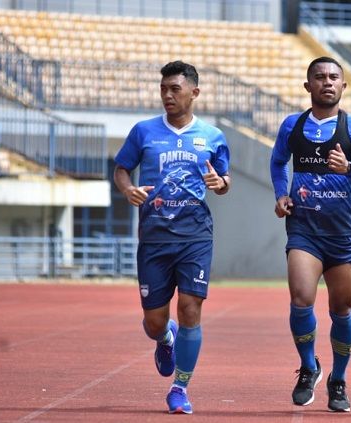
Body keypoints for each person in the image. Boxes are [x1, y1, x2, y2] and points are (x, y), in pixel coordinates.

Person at [113, 60, 230, 415]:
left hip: (196, 236)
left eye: (174, 89)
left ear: (193, 93)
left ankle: (180, 388)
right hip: (154, 237)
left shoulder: (212, 136)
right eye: (163, 89)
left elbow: (224, 181)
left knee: (191, 309)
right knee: (154, 322)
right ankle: (165, 337)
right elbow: (121, 169)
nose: (167, 95)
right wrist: (128, 189)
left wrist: (220, 184)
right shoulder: (143, 132)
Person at [270, 56, 351, 412]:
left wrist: (349, 168)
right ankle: (308, 367)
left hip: (342, 234)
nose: (327, 82)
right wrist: (280, 195)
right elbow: (277, 162)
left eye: (334, 77)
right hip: (305, 230)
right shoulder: (292, 125)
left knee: (342, 308)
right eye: (319, 77)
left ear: (343, 86)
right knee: (301, 298)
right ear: (308, 86)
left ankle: (338, 378)